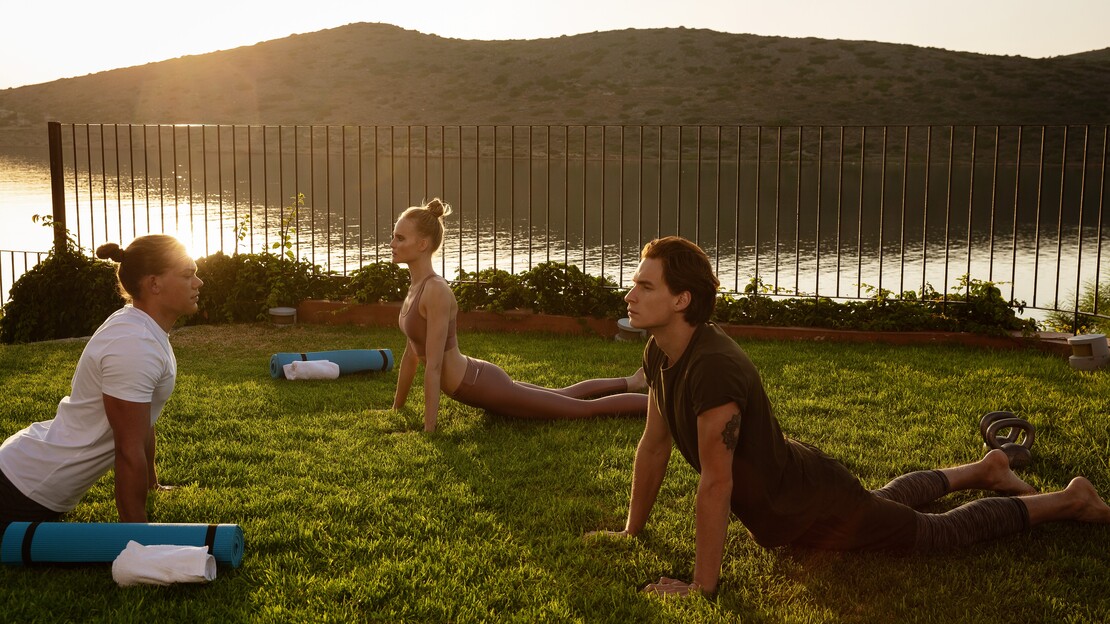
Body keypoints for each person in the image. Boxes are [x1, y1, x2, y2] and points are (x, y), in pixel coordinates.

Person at [588, 235, 1110, 597]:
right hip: (802, 499)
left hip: (811, 503)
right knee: (878, 505)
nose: (630, 294)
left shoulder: (714, 370)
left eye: (645, 286)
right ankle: (985, 469)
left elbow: (715, 485)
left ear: (682, 299)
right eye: (635, 284)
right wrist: (632, 531)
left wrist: (702, 587)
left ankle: (1070, 499)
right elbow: (654, 444)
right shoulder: (660, 351)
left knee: (932, 535)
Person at [389, 198, 648, 432]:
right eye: (394, 237)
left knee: (580, 410)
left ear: (422, 244)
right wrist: (396, 408)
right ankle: (632, 381)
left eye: (400, 238)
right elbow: (411, 353)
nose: (392, 244)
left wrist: (429, 430)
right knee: (564, 394)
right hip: (479, 379)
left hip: (482, 386)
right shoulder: (416, 287)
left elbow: (433, 367)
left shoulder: (435, 291)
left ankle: (659, 407)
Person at [0, 234, 202, 523]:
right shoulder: (134, 344)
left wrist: (151, 484)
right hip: (21, 488)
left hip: (24, 471)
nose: (198, 282)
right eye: (187, 275)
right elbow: (128, 450)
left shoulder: (140, 326)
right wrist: (137, 538)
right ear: (154, 284)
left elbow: (143, 421)